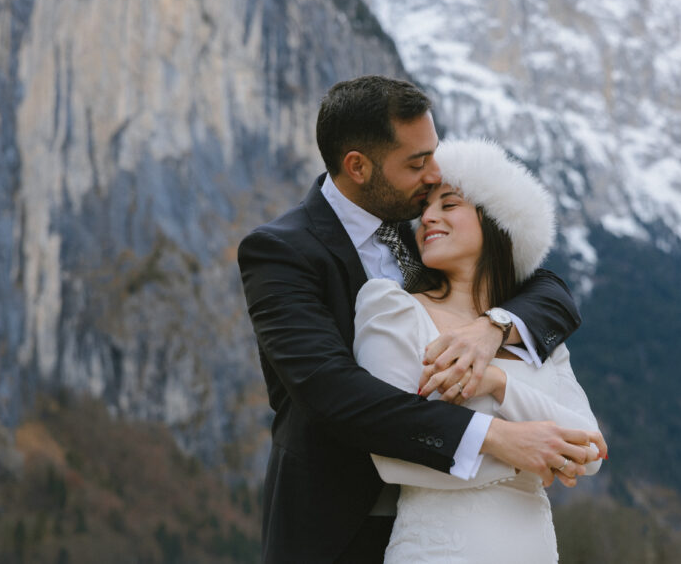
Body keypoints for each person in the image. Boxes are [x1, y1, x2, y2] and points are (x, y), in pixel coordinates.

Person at [238, 75, 603, 562]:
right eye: (417, 163)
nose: (434, 175)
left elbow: (548, 288)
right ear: (358, 166)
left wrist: (491, 328)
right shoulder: (281, 252)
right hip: (336, 528)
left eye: (432, 154)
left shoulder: (424, 231)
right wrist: (500, 439)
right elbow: (332, 392)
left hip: (471, 527)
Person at [354, 138, 605, 563]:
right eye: (424, 210)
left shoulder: (530, 336)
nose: (428, 218)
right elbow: (389, 449)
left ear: (497, 224)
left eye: (449, 205)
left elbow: (591, 450)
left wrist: (499, 382)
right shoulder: (394, 308)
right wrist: (517, 450)